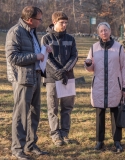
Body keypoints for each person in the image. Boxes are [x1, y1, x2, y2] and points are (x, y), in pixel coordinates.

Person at [5, 6, 51, 160]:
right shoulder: (15, 32)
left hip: (36, 76)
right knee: (21, 115)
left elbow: (34, 51)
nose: (41, 22)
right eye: (39, 19)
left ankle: (30, 144)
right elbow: (13, 57)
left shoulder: (31, 31)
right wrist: (36, 56)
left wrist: (44, 51)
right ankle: (17, 149)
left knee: (34, 113)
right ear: (30, 20)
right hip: (22, 79)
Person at [84, 22, 125, 152]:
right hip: (99, 85)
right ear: (99, 33)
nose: (104, 33)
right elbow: (91, 68)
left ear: (110, 31)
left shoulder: (119, 48)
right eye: (101, 31)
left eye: (106, 30)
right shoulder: (94, 48)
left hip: (115, 85)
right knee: (100, 114)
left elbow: (124, 68)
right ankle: (99, 141)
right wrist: (88, 65)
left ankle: (117, 141)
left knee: (115, 113)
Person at [41, 11, 78, 146]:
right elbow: (46, 57)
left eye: (66, 22)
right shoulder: (46, 38)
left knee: (67, 107)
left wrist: (65, 70)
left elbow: (75, 56)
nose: (64, 25)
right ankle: (55, 134)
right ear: (54, 22)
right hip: (51, 78)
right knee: (53, 107)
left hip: (68, 77)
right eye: (62, 22)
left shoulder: (70, 38)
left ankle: (64, 133)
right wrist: (57, 71)